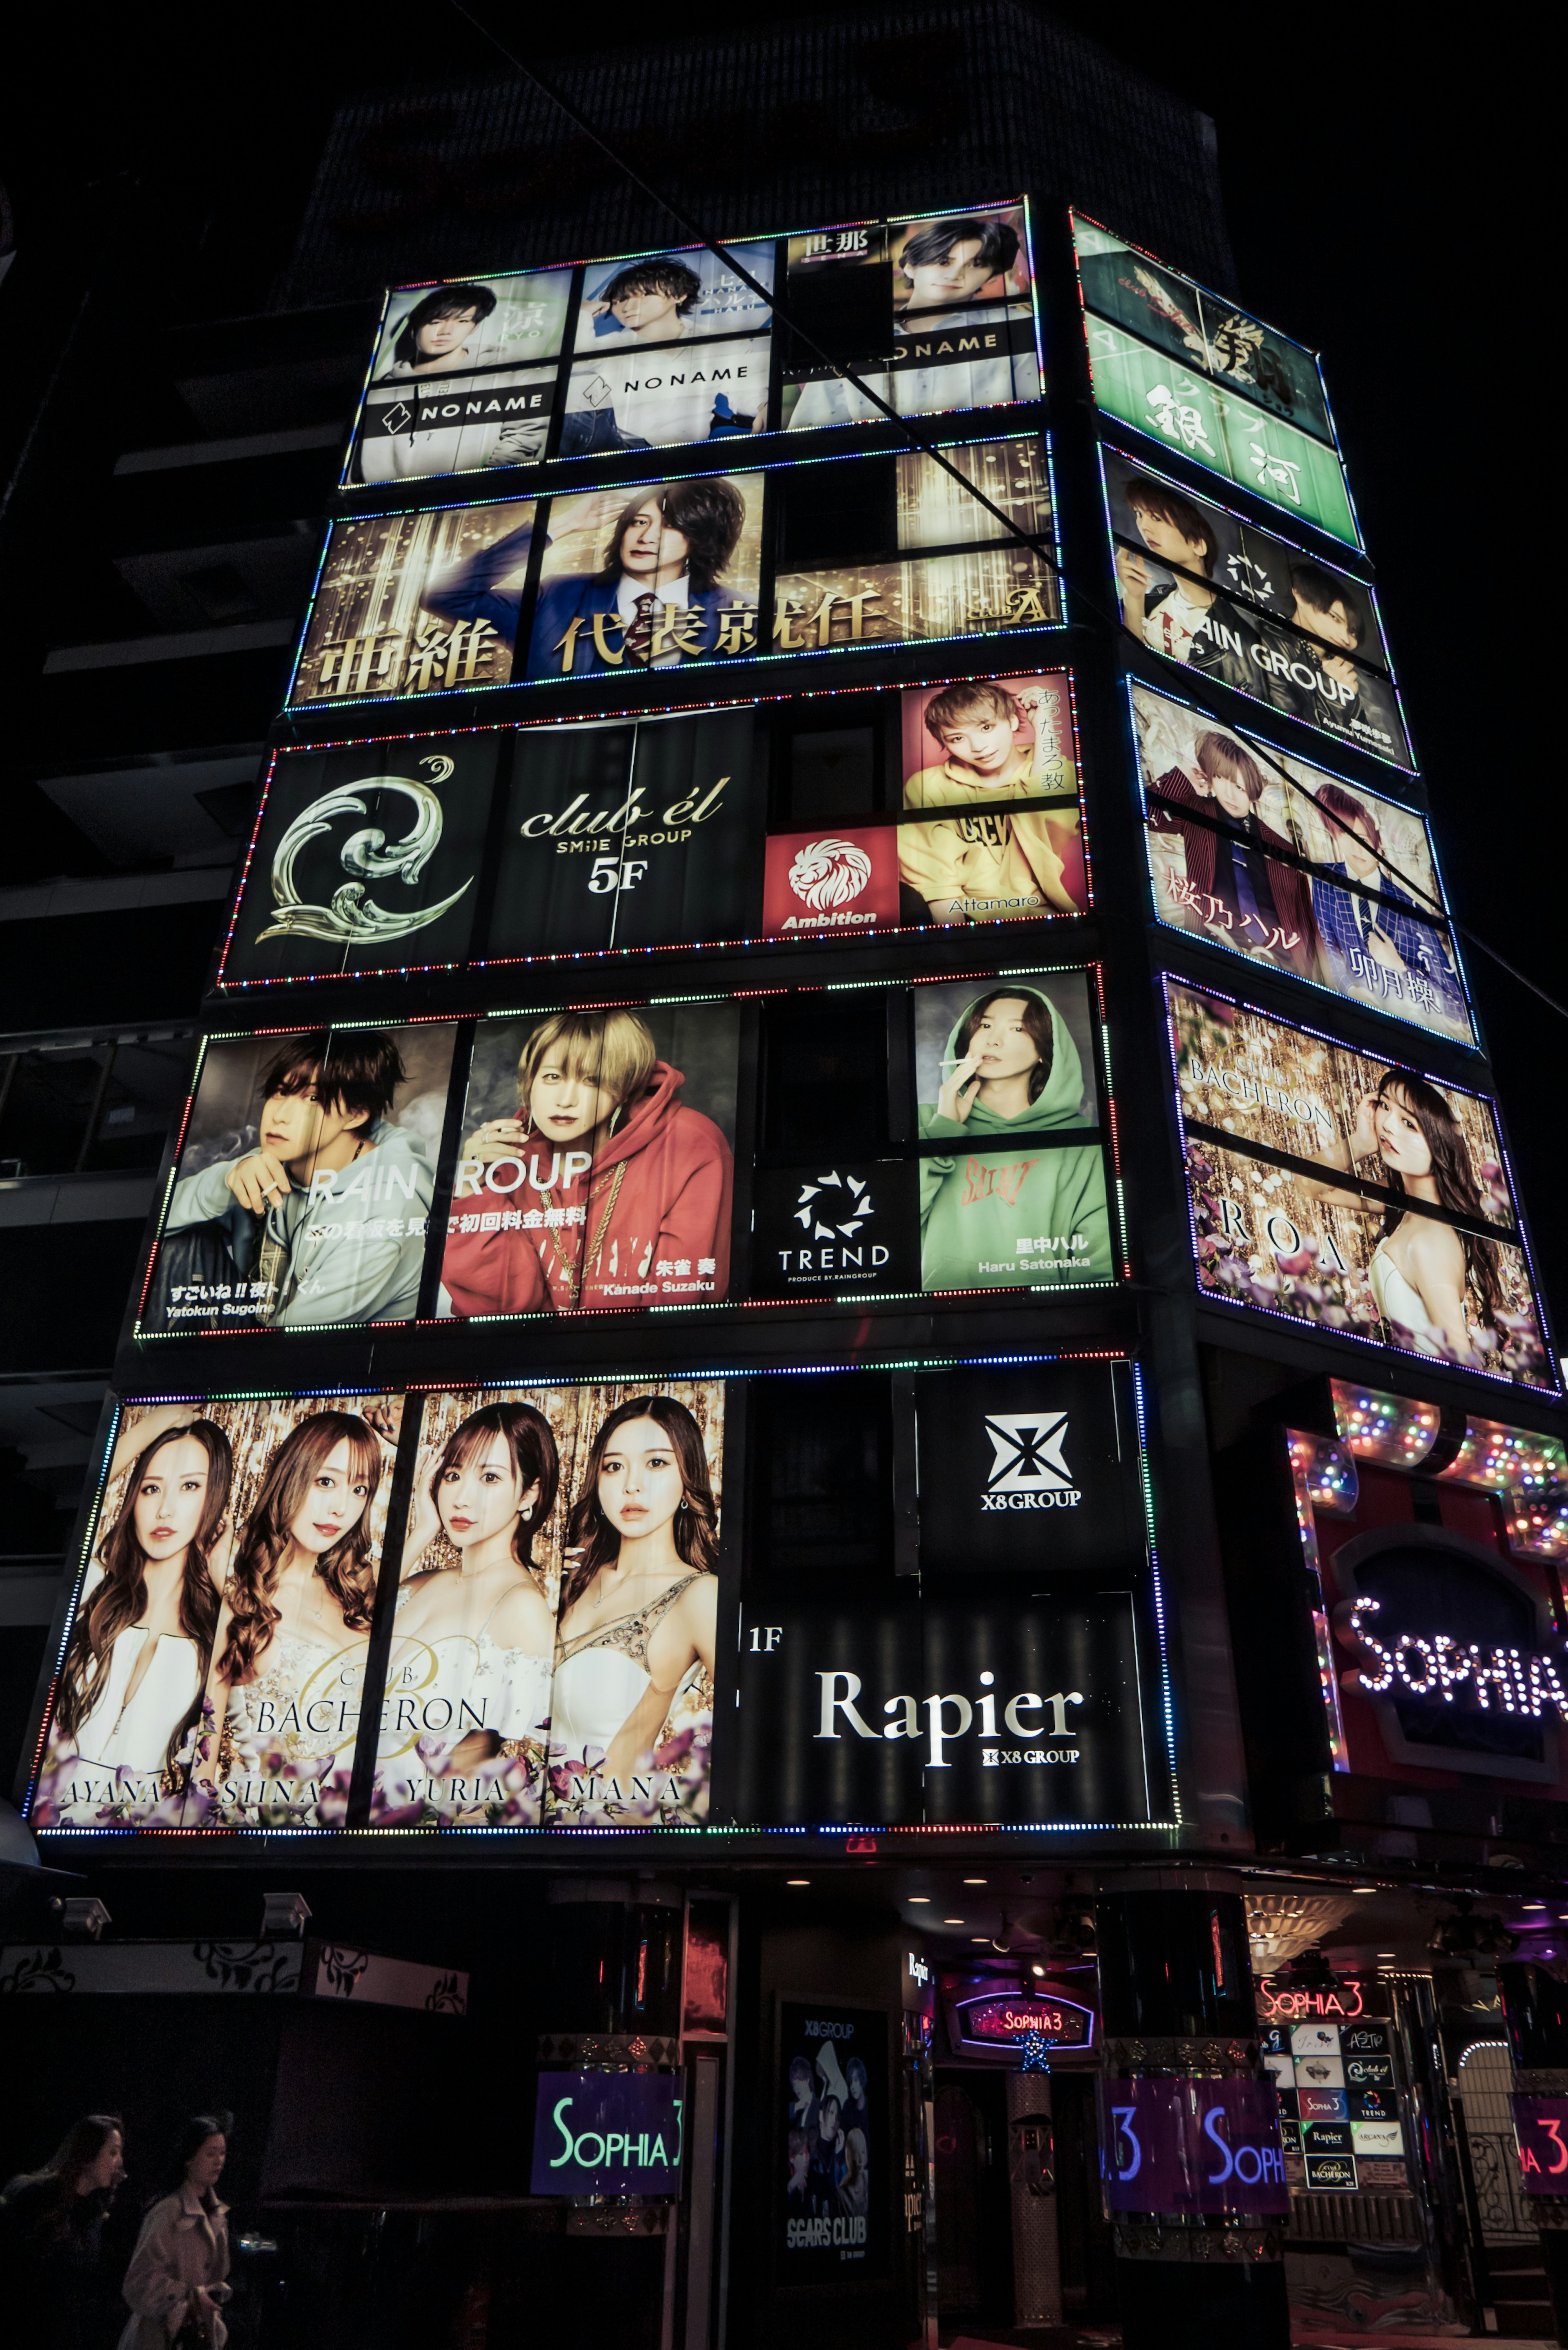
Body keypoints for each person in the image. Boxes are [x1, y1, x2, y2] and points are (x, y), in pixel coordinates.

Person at [441, 1008, 733, 1315]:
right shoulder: (509, 1158)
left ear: (625, 1087)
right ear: (529, 1082)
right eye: (553, 1076)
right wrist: (472, 1189)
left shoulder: (690, 1145)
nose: (566, 1099)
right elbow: (499, 1310)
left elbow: (678, 1306)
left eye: (593, 1080)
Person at [160, 1031, 433, 1327]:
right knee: (180, 1242)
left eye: (313, 1098)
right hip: (262, 1328)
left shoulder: (384, 1213)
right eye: (280, 1092)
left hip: (330, 1363)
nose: (281, 1115)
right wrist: (225, 1181)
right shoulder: (277, 1159)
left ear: (356, 1114)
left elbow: (292, 1345)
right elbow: (159, 1223)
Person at [40, 1409, 233, 1819]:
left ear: (214, 1497)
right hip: (46, 1827)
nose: (165, 1510)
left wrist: (225, 1588)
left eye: (190, 1487)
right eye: (150, 1489)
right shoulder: (94, 1592)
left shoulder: (217, 1630)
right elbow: (90, 1493)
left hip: (140, 1843)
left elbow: (205, 1779)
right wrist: (154, 1424)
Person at [381, 1402, 560, 1814]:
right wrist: (424, 1529)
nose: (462, 1497)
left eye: (490, 1478)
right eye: (453, 1475)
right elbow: (347, 1618)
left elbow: (508, 1785)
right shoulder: (422, 1582)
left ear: (529, 1493)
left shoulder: (523, 1610)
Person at [196, 1413, 381, 1806]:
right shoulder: (238, 1591)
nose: (340, 1509)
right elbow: (202, 1750)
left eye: (360, 1489)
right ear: (292, 1477)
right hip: (259, 1829)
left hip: (353, 1831)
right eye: (326, 1482)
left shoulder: (359, 1592)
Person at [549, 1396, 719, 1797]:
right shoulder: (569, 1584)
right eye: (614, 1466)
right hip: (516, 1832)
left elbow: (756, 1732)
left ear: (686, 1482)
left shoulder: (699, 1595)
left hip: (612, 1835)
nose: (632, 1484)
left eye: (656, 1463)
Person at [421, 478, 754, 678]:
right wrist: (562, 525)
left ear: (702, 540)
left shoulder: (741, 613)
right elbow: (444, 595)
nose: (647, 536)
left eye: (668, 525)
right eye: (638, 522)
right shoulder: (557, 597)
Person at [1301, 1066, 1505, 1363]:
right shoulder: (1402, 1203)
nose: (1388, 1126)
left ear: (1439, 1145)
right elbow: (1309, 1186)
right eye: (1385, 1107)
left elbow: (1462, 1359)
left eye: (1409, 1124)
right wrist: (1361, 1142)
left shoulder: (1430, 1238)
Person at [918, 988, 1111, 1290]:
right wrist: (943, 1130)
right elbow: (892, 1227)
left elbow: (1099, 1261)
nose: (993, 1040)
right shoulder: (926, 1122)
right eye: (985, 1025)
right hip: (938, 1315)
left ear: (1046, 1051)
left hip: (1043, 1321)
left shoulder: (1083, 1142)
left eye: (1018, 1028)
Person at [788, 214, 1037, 428]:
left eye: (977, 265)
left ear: (991, 277)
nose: (954, 275)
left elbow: (1037, 417)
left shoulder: (1017, 328)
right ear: (909, 266)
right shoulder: (854, 337)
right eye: (943, 261)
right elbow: (810, 430)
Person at [898, 680, 1083, 921]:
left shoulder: (1057, 771)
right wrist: (958, 944)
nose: (978, 747)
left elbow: (1050, 826)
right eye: (957, 738)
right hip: (967, 919)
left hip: (1045, 917)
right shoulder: (929, 786)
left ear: (1013, 721)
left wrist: (1045, 726)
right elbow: (934, 880)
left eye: (987, 728)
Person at [1147, 729, 1316, 975]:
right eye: (1220, 778)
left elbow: (1305, 923)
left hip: (1282, 962)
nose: (1229, 794)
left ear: (1253, 789)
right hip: (1211, 945)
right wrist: (1184, 776)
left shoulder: (1283, 849)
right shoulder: (1197, 811)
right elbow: (1148, 813)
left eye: (1238, 786)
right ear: (1210, 778)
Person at [1308, 782, 1465, 1019]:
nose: (1356, 848)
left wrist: (1400, 967)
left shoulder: (1412, 910)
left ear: (1376, 841)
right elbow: (1327, 945)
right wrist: (1351, 988)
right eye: (1345, 835)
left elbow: (1458, 1008)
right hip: (1344, 1016)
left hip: (1407, 1027)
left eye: (1362, 838)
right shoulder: (1324, 879)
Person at [1113, 474, 1259, 693]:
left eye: (1156, 518)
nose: (1143, 526)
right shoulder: (1148, 599)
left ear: (1198, 546)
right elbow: (1130, 670)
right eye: (1139, 515)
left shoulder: (1239, 638)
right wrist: (1133, 599)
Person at [2, 2113, 125, 2349]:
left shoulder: (93, 2213)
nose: (119, 2162)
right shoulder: (38, 2197)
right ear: (88, 2155)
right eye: (113, 2152)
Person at [119, 2116, 231, 2350]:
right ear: (190, 2158)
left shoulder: (217, 2214)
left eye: (222, 2153)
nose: (219, 2161)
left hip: (195, 2336)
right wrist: (191, 2296)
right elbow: (138, 2284)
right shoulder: (169, 2211)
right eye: (211, 2154)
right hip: (157, 2337)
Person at [379, 283, 498, 378]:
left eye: (462, 321)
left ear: (475, 327)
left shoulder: (498, 363)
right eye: (435, 323)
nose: (446, 332)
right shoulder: (383, 387)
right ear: (413, 330)